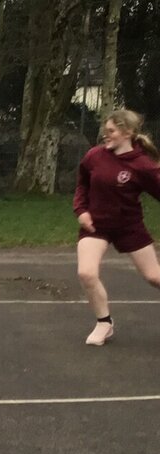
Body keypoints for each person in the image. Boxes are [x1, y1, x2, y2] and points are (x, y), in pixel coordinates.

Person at [74, 108, 160, 346]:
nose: (105, 135)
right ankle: (104, 323)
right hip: (96, 226)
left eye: (111, 131)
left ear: (128, 132)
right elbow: (82, 184)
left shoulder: (143, 166)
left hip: (129, 226)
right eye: (105, 130)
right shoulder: (94, 156)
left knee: (154, 276)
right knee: (86, 273)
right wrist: (81, 211)